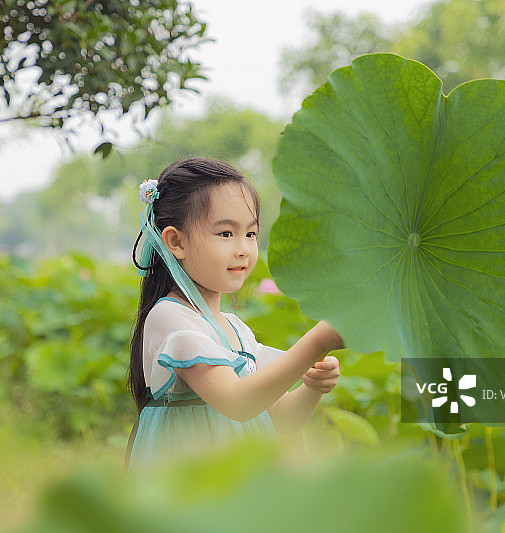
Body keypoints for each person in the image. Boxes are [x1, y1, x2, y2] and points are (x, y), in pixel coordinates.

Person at [126, 157, 344, 472]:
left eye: (251, 234)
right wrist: (316, 343)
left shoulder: (236, 329)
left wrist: (312, 387)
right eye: (226, 234)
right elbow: (238, 403)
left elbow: (279, 419)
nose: (243, 248)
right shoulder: (169, 317)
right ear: (176, 241)